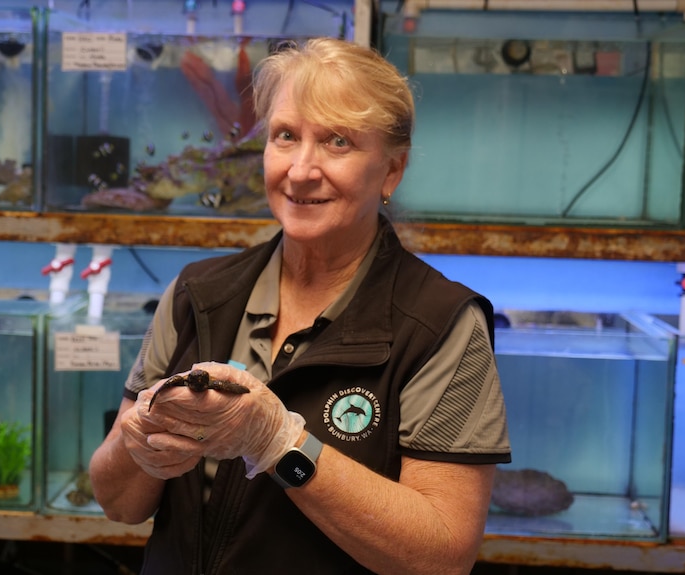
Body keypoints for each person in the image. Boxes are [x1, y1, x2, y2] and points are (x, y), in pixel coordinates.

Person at [89, 37, 510, 575]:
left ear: (391, 171)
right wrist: (138, 441)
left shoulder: (439, 324)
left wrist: (279, 442)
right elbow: (119, 503)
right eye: (286, 136)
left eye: (338, 142)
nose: (302, 170)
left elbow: (441, 555)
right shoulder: (197, 294)